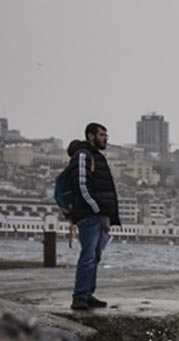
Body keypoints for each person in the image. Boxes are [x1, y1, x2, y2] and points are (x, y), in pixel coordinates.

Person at [67, 122, 121, 310]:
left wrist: (106, 215)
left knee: (95, 256)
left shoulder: (97, 157)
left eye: (106, 135)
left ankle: (88, 293)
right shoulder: (83, 155)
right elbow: (82, 186)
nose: (105, 138)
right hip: (89, 215)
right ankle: (80, 296)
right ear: (91, 136)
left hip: (98, 215)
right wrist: (97, 210)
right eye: (101, 135)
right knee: (88, 255)